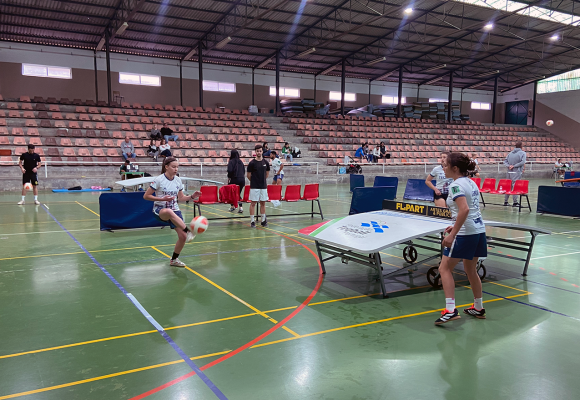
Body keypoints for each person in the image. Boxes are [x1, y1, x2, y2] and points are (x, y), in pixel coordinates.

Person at [435, 152, 487, 325]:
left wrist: (453, 233)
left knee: (444, 268)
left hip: (465, 233)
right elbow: (469, 210)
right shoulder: (471, 182)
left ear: (455, 168)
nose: (443, 167)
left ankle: (450, 310)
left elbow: (464, 209)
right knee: (470, 269)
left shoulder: (455, 186)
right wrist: (456, 225)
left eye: (446, 164)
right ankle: (478, 307)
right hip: (478, 231)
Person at [143, 157, 201, 267]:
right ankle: (188, 231)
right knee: (169, 211)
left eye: (177, 167)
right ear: (166, 167)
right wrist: (162, 199)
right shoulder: (159, 180)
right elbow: (146, 196)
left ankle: (174, 260)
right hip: (160, 210)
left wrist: (193, 196)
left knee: (182, 237)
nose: (176, 169)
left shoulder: (178, 180)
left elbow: (181, 198)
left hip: (175, 210)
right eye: (173, 167)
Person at [247, 144, 270, 228]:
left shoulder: (266, 163)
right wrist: (254, 181)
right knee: (253, 203)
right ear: (255, 152)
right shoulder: (252, 163)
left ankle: (263, 220)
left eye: (260, 151)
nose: (259, 152)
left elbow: (267, 174)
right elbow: (248, 175)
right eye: (257, 151)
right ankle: (252, 221)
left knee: (263, 203)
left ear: (262, 151)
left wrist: (262, 180)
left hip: (263, 186)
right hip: (254, 186)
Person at [503, 141, 526, 207]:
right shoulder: (523, 153)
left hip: (509, 171)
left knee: (508, 186)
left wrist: (509, 165)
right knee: (515, 186)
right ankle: (515, 202)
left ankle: (506, 201)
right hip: (517, 172)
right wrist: (514, 166)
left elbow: (505, 161)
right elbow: (522, 162)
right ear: (521, 146)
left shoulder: (510, 153)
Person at [227, 149, 245, 213]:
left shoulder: (231, 161)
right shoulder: (240, 161)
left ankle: (233, 206)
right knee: (238, 193)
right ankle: (240, 207)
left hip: (235, 179)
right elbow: (243, 171)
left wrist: (229, 177)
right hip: (242, 180)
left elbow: (230, 170)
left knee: (231, 193)